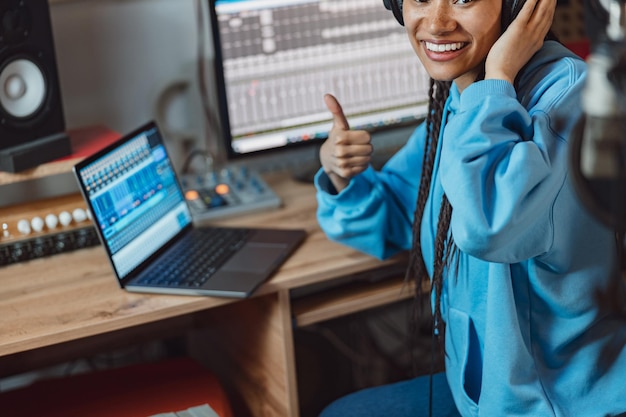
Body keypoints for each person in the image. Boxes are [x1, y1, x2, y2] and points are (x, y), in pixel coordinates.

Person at [314, 0, 626, 415]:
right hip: (488, 397)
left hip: (560, 405)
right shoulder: (464, 100)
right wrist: (340, 173)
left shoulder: (565, 102)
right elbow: (390, 215)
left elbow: (487, 227)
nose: (437, 24)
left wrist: (497, 79)